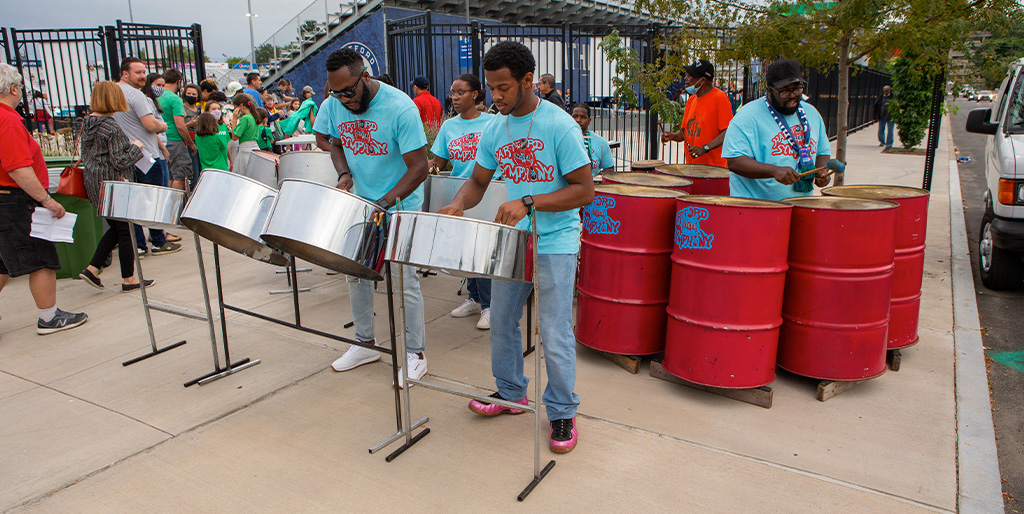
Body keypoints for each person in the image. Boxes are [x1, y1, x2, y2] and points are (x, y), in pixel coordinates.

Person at [437, 41, 593, 454]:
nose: (496, 96)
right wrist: (457, 203)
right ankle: (510, 394)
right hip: (515, 240)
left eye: (504, 87)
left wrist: (528, 201)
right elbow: (477, 181)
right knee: (502, 321)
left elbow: (584, 190)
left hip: (555, 240)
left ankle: (562, 411)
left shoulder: (559, 126)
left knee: (554, 331)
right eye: (491, 88)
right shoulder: (494, 127)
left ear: (528, 80)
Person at [313, 47, 429, 387]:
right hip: (364, 203)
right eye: (336, 93)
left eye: (349, 91)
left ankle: (416, 354)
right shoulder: (334, 104)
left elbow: (419, 168)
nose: (344, 100)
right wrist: (344, 173)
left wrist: (384, 201)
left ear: (365, 76)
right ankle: (365, 343)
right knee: (355, 274)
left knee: (404, 280)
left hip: (401, 205)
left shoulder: (400, 107)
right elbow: (334, 143)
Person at [0, 63, 88, 334]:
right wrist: (46, 200)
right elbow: (17, 167)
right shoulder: (8, 119)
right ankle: (49, 317)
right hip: (15, 200)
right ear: (13, 89)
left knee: (2, 263)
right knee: (42, 259)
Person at [430, 73, 497, 330]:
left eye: (461, 93)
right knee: (467, 250)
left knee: (484, 251)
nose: (455, 98)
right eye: (452, 93)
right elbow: (439, 163)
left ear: (476, 94)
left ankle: (490, 306)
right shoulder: (449, 126)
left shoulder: (494, 122)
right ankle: (474, 299)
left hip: (489, 192)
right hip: (461, 195)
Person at [77, 81, 154, 293]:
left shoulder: (89, 122)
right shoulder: (111, 126)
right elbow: (120, 161)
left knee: (117, 227)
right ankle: (128, 279)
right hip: (115, 184)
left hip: (95, 182)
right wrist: (137, 148)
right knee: (125, 230)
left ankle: (93, 268)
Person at [721, 58, 834, 201]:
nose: (792, 95)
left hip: (801, 205)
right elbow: (735, 161)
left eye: (797, 89)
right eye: (785, 92)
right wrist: (774, 171)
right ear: (769, 90)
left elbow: (822, 152)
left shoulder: (812, 113)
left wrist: (822, 170)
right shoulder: (746, 117)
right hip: (756, 208)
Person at [114, 59, 181, 256]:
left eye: (144, 72)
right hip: (146, 156)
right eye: (138, 72)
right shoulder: (136, 95)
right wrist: (163, 126)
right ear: (125, 73)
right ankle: (158, 241)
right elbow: (151, 125)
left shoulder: (113, 93)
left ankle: (139, 245)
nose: (143, 76)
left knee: (134, 203)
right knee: (153, 200)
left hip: (126, 156)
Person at [661, 59, 733, 167]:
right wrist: (673, 136)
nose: (686, 78)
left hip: (713, 169)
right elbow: (686, 132)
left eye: (690, 75)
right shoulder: (691, 100)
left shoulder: (720, 98)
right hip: (692, 168)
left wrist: (705, 148)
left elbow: (728, 132)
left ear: (702, 80)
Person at [157, 69, 197, 191]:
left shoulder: (157, 97)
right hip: (175, 140)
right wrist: (191, 143)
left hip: (160, 141)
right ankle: (178, 205)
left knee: (169, 176)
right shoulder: (175, 99)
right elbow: (180, 125)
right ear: (178, 82)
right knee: (180, 177)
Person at [570, 103, 614, 176]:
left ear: (589, 120)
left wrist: (597, 179)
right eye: (575, 116)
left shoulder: (600, 142)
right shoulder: (561, 140)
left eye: (583, 117)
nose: (578, 120)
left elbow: (609, 168)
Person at [229, 93, 263, 176]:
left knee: (241, 175)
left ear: (241, 106)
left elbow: (234, 137)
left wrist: (234, 119)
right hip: (254, 147)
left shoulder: (245, 118)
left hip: (245, 150)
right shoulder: (253, 116)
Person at [874, 85, 894, 149]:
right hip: (881, 116)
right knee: (881, 130)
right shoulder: (880, 98)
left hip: (890, 117)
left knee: (890, 131)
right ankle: (882, 142)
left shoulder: (892, 98)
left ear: (889, 91)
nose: (886, 92)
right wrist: (874, 116)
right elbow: (876, 107)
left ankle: (889, 144)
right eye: (885, 91)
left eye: (887, 91)